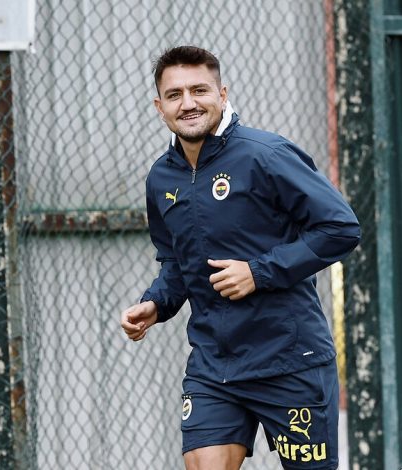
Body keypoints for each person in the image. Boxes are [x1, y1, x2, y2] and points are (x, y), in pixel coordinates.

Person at [120, 46, 360, 470]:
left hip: (289, 360)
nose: (188, 103)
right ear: (160, 107)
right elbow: (176, 262)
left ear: (222, 94)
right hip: (215, 366)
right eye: (174, 95)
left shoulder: (266, 154)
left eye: (199, 90)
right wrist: (156, 303)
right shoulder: (162, 177)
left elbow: (340, 228)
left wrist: (258, 272)